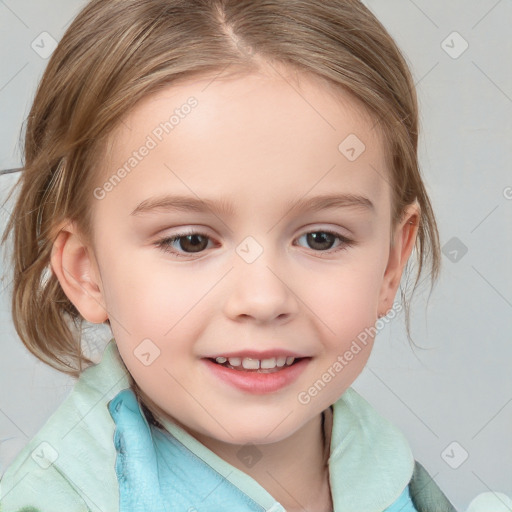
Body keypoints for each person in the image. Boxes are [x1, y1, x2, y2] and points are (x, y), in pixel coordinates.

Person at [0, 0, 467, 510]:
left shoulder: (397, 477)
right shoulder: (58, 498)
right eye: (191, 241)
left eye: (320, 239)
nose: (263, 299)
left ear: (391, 263)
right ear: (85, 271)